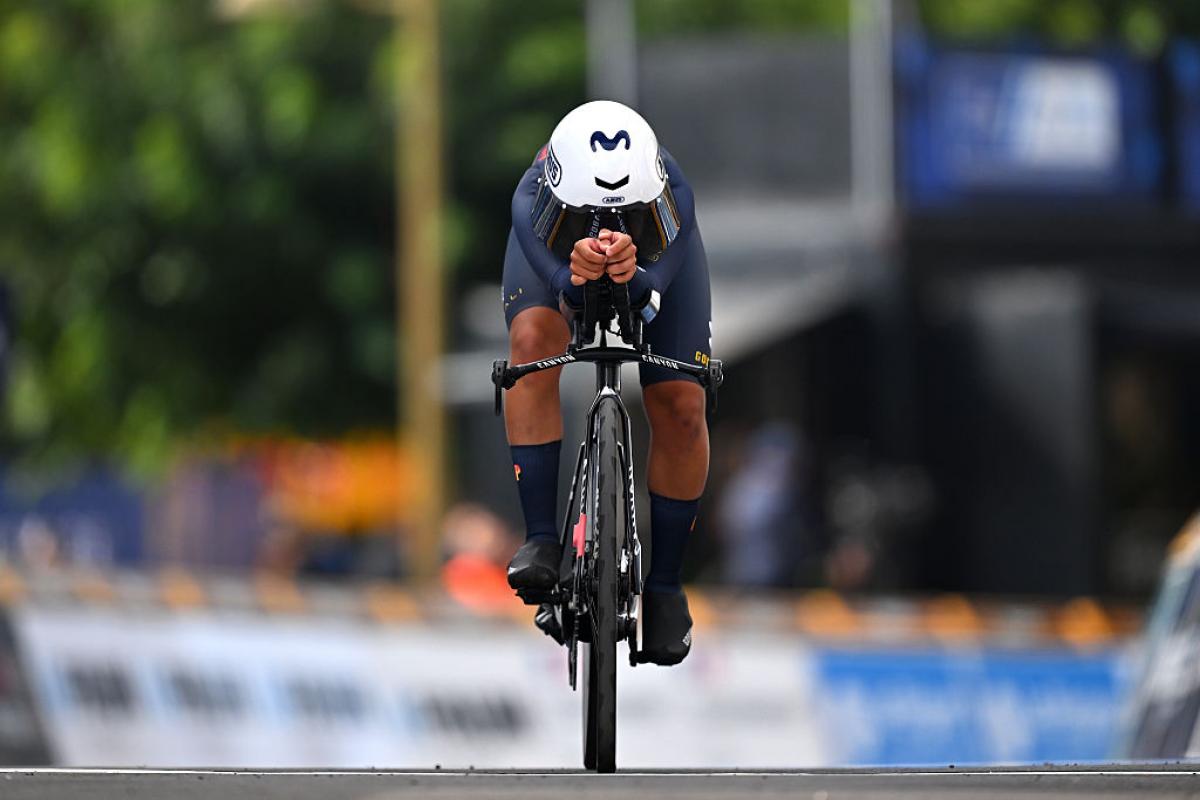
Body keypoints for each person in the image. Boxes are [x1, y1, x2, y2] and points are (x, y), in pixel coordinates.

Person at [501, 100, 712, 666]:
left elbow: (670, 256)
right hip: (555, 255)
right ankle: (541, 538)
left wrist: (647, 281)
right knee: (531, 345)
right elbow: (539, 250)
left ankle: (665, 586)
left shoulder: (671, 186)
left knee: (682, 402)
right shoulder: (534, 191)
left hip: (655, 256)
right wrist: (562, 280)